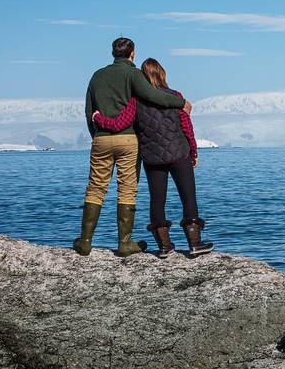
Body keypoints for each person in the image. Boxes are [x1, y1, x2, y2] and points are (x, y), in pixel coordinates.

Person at [73, 38, 191, 257]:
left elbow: (89, 111)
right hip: (128, 139)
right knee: (127, 189)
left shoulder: (97, 76)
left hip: (101, 139)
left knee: (96, 187)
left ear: (112, 53)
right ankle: (125, 243)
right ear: (132, 54)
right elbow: (152, 95)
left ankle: (85, 241)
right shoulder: (134, 74)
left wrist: (96, 135)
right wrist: (179, 103)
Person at [91, 58, 214, 258]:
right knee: (188, 197)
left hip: (152, 158)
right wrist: (194, 152)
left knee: (157, 200)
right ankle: (195, 244)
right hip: (179, 154)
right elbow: (187, 129)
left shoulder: (135, 102)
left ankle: (164, 247)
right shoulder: (176, 97)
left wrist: (98, 118)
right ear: (162, 74)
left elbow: (118, 124)